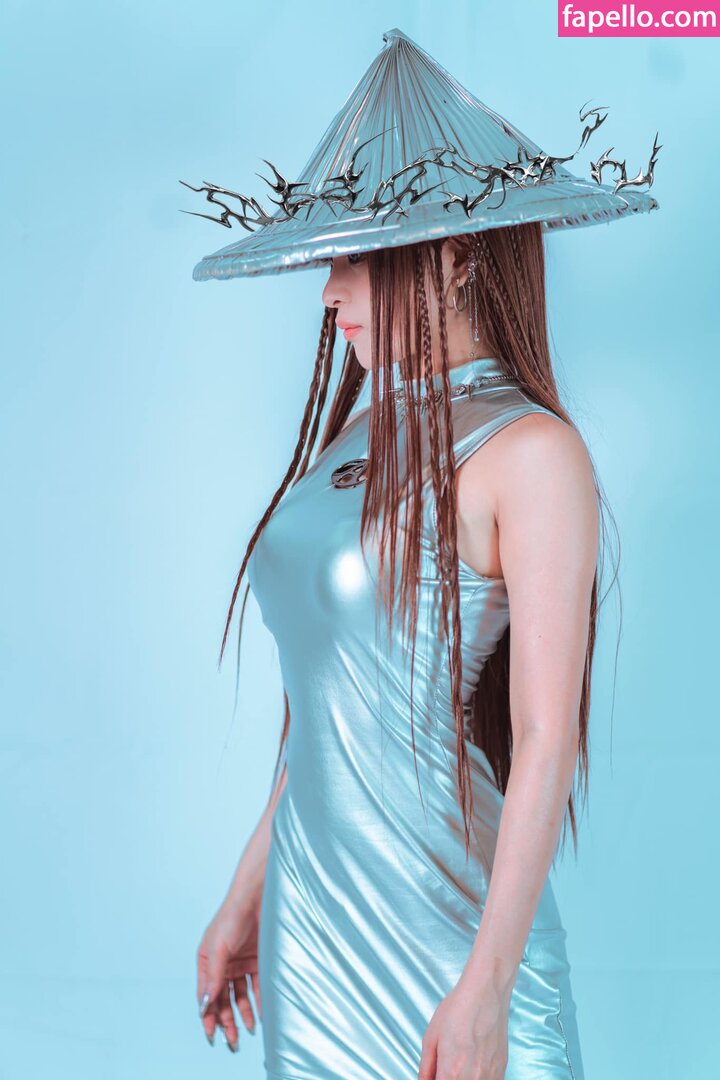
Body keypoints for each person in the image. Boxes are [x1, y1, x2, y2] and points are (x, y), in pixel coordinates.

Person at [183, 27, 659, 1080]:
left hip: (460, 940)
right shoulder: (348, 442)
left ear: (453, 255)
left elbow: (544, 740)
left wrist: (486, 989)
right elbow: (325, 718)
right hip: (315, 943)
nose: (328, 292)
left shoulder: (531, 454)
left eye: (355, 256)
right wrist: (244, 896)